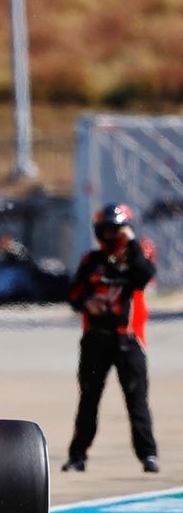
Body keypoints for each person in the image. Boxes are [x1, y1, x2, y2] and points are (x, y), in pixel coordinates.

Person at [63, 203, 158, 473]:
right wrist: (87, 302)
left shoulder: (137, 256)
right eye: (105, 230)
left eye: (115, 230)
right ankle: (78, 456)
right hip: (95, 340)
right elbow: (72, 294)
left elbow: (145, 277)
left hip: (128, 342)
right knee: (89, 399)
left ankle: (148, 454)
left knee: (136, 400)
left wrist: (132, 242)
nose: (110, 235)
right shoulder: (91, 261)